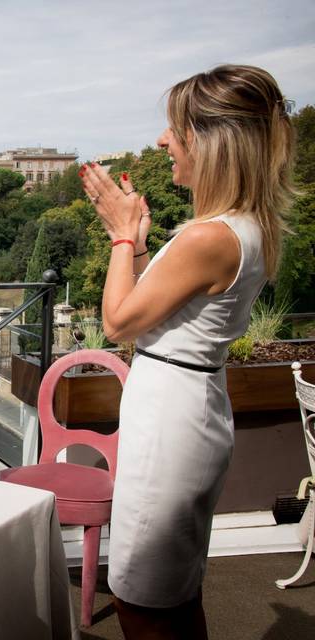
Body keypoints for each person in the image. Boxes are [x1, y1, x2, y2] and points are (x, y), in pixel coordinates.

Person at [80, 64, 295, 638]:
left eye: (175, 129)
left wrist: (123, 237)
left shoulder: (208, 236)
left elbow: (120, 321)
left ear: (213, 142)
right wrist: (143, 247)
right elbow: (168, 304)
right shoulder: (239, 228)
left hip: (173, 421)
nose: (161, 141)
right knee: (172, 589)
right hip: (188, 405)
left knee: (142, 599)